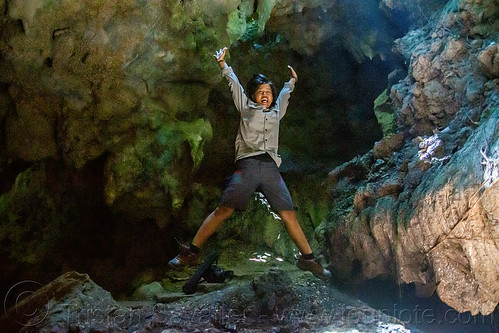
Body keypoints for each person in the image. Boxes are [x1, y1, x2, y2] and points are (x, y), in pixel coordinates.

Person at [168, 47, 331, 280]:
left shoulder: (276, 113)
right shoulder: (245, 107)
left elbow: (285, 94)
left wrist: (292, 82)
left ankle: (309, 260)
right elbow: (234, 84)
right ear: (253, 95)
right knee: (224, 209)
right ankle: (190, 253)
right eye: (261, 92)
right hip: (248, 164)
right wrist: (224, 65)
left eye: (268, 92)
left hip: (270, 168)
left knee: (288, 214)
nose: (265, 95)